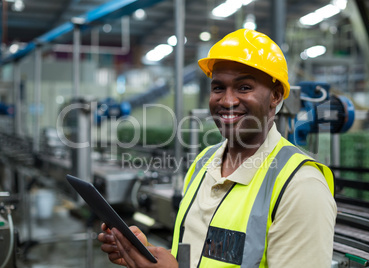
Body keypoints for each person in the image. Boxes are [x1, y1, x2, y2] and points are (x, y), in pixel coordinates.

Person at [98, 29, 337, 268]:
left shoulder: (301, 187)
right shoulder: (204, 162)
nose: (227, 101)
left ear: (275, 95)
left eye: (244, 87)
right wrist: (146, 254)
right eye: (218, 88)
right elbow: (194, 258)